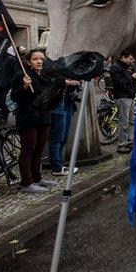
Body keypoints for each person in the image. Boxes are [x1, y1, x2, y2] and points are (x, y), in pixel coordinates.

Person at [11, 49, 54, 194]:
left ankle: (37, 178)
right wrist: (23, 86)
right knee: (28, 150)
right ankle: (27, 182)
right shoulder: (21, 75)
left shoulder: (45, 77)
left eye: (41, 58)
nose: (39, 61)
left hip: (44, 117)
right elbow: (15, 97)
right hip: (28, 118)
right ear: (29, 61)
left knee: (39, 150)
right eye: (35, 59)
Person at [47, 78, 81, 176]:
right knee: (56, 138)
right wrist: (66, 82)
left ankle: (60, 164)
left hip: (67, 101)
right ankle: (56, 167)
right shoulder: (49, 66)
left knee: (64, 137)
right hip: (57, 104)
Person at [109, 52, 136, 154]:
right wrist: (133, 77)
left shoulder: (129, 67)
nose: (132, 61)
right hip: (122, 97)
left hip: (130, 96)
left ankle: (130, 142)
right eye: (130, 59)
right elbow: (119, 82)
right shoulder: (115, 68)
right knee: (124, 122)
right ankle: (122, 144)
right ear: (123, 58)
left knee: (131, 121)